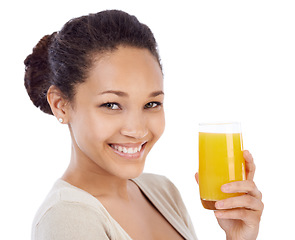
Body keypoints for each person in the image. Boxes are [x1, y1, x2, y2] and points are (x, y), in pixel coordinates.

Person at [24, 10, 263, 240]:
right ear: (61, 105)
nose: (137, 130)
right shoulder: (66, 217)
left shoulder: (162, 191)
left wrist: (236, 237)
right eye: (112, 105)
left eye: (151, 104)